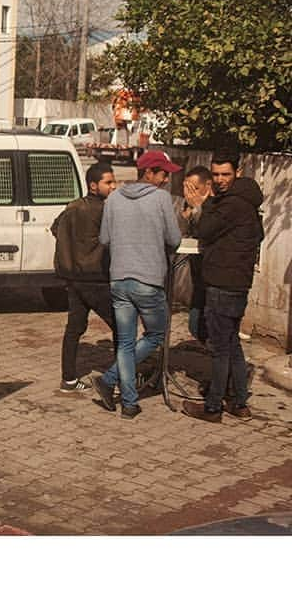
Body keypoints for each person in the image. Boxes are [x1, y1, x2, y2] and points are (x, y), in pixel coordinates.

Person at [89, 149, 182, 419]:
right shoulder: (162, 199)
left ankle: (128, 402)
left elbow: (105, 238)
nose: (166, 179)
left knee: (126, 343)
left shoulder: (114, 198)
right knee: (155, 334)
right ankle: (109, 381)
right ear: (149, 173)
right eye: (163, 173)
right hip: (148, 280)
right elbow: (174, 240)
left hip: (119, 279)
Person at [181, 150, 264, 423]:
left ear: (237, 173)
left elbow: (204, 229)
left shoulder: (232, 204)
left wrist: (199, 206)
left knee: (219, 348)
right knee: (232, 344)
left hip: (223, 283)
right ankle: (239, 402)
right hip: (238, 282)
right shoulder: (246, 201)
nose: (219, 180)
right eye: (215, 174)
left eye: (225, 174)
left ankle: (213, 406)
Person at [51, 162, 117, 395]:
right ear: (93, 185)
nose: (113, 186)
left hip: (73, 278)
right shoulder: (105, 210)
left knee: (74, 328)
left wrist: (74, 248)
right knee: (120, 328)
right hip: (96, 279)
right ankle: (120, 377)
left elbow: (55, 228)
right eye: (108, 182)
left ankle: (68, 379)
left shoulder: (73, 206)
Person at [176, 166, 213, 344]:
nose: (190, 194)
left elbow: (208, 231)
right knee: (195, 324)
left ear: (208, 185)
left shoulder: (214, 206)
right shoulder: (186, 206)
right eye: (187, 188)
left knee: (206, 326)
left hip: (212, 274)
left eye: (195, 189)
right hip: (194, 275)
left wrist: (199, 209)